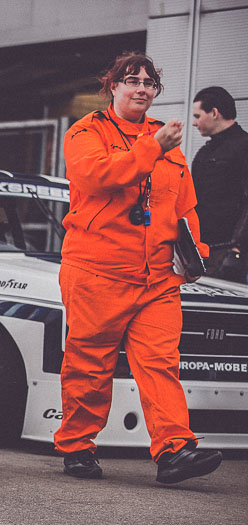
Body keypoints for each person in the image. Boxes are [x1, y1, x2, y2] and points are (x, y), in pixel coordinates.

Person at [56, 51, 222, 484]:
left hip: (158, 277)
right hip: (97, 271)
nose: (142, 89)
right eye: (133, 81)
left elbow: (184, 204)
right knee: (90, 363)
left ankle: (174, 450)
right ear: (113, 86)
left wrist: (195, 254)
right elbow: (98, 177)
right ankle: (77, 445)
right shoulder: (85, 133)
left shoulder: (163, 138)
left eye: (149, 83)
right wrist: (153, 148)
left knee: (161, 363)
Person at [191, 86, 248, 283]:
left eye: (198, 116)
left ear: (214, 113)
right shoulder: (205, 153)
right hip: (201, 250)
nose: (193, 122)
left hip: (227, 253)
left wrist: (237, 249)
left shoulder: (244, 147)